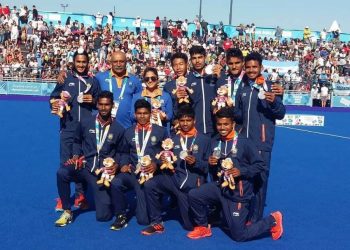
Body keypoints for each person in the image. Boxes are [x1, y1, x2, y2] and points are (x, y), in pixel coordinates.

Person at [186, 107, 283, 241]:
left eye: (226, 124)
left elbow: (261, 165)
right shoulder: (215, 142)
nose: (222, 127)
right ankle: (203, 227)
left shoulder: (245, 142)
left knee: (239, 235)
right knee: (194, 195)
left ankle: (273, 220)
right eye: (219, 124)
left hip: (238, 193)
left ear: (233, 124)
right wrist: (209, 162)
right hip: (221, 187)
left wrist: (241, 171)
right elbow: (208, 165)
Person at [54, 91, 126, 226]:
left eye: (107, 105)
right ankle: (67, 211)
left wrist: (116, 165)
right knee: (62, 172)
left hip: (101, 173)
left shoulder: (119, 129)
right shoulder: (86, 122)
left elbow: (122, 152)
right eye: (101, 104)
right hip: (84, 166)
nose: (103, 108)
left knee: (104, 217)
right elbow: (76, 140)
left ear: (112, 106)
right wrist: (75, 155)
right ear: (97, 105)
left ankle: (107, 199)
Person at [141, 104, 210, 235]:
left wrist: (196, 162)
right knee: (150, 184)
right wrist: (159, 161)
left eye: (188, 120)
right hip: (173, 181)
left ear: (194, 121)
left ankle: (204, 215)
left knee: (189, 226)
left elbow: (209, 168)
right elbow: (163, 154)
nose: (185, 124)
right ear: (178, 122)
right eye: (182, 121)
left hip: (191, 185)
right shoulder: (173, 139)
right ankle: (157, 223)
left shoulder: (204, 140)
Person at [234, 52, 286, 223]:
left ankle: (255, 219)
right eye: (247, 67)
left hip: (262, 143)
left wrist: (274, 102)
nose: (250, 70)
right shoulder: (242, 87)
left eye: (254, 67)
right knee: (245, 179)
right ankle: (245, 213)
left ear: (261, 68)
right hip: (244, 143)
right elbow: (239, 115)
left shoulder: (270, 87)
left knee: (260, 181)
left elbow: (281, 114)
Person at [50, 48, 101, 213]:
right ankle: (64, 199)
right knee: (65, 162)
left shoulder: (93, 82)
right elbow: (53, 98)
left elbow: (100, 103)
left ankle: (81, 195)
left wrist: (93, 100)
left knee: (82, 162)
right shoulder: (65, 78)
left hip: (86, 129)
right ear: (73, 62)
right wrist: (56, 103)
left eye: (84, 62)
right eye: (78, 62)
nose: (81, 64)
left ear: (88, 63)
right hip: (68, 128)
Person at [110, 99, 167, 230]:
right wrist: (124, 163)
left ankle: (157, 199)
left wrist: (156, 164)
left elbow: (166, 152)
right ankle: (121, 215)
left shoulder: (160, 131)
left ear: (150, 113)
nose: (142, 116)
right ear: (135, 115)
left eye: (145, 113)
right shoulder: (128, 132)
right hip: (134, 174)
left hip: (151, 176)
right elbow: (123, 152)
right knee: (116, 182)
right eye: (139, 113)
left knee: (143, 220)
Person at [96, 51, 142, 128]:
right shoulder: (100, 77)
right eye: (115, 62)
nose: (118, 64)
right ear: (111, 62)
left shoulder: (134, 80)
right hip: (104, 125)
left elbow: (140, 103)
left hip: (127, 126)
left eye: (121, 61)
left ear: (126, 62)